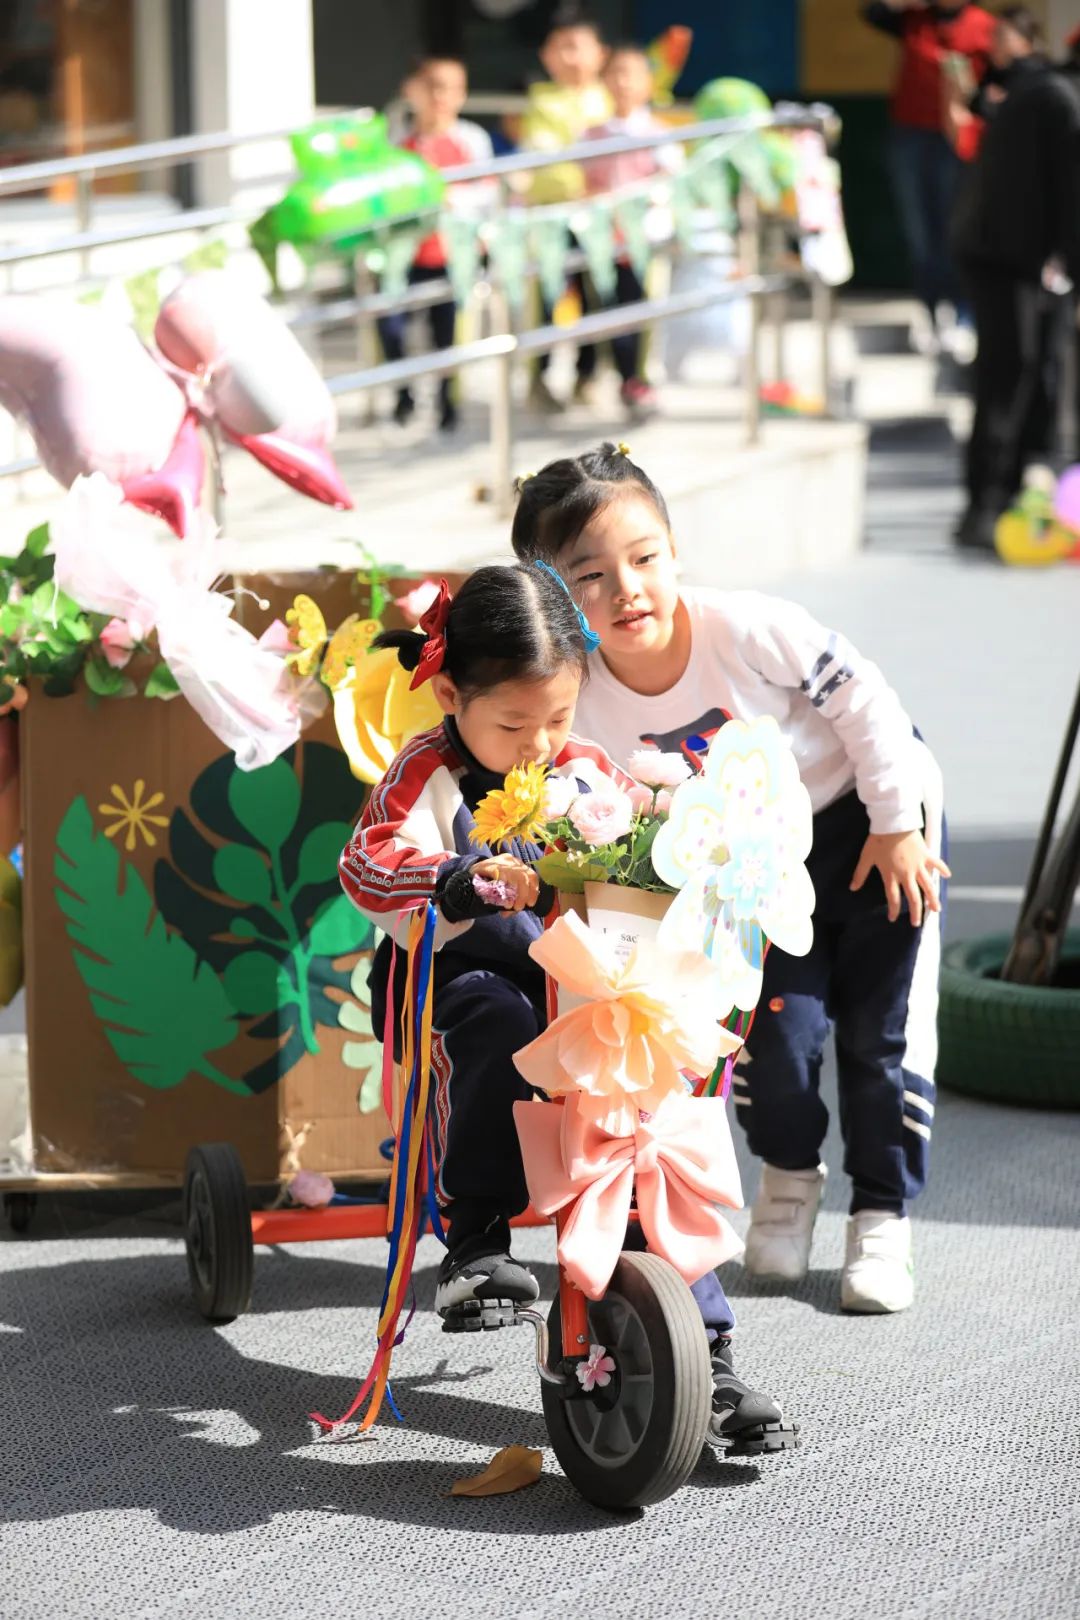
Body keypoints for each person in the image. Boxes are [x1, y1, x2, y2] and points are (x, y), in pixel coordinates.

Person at [339, 562, 785, 1442]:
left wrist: (680, 852)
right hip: (458, 984)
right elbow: (365, 861)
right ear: (454, 696)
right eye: (513, 722)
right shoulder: (424, 771)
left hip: (579, 992)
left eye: (559, 717)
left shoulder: (585, 771)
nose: (540, 744)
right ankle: (474, 1244)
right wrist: (455, 877)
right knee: (498, 1024)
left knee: (647, 1115)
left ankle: (708, 1354)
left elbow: (638, 853)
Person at [511, 443, 950, 1315]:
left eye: (644, 559)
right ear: (552, 595)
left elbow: (865, 699)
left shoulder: (742, 627)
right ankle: (788, 1177)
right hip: (739, 874)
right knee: (770, 1039)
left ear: (674, 552)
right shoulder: (579, 689)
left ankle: (881, 1213)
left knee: (878, 1034)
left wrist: (899, 822)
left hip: (862, 825)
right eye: (590, 576)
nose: (626, 588)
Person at [951, 45, 1080, 549]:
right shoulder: (1062, 101)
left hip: (1018, 255)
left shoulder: (1046, 88)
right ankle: (986, 503)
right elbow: (1074, 200)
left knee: (1035, 368)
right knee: (1012, 370)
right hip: (1006, 257)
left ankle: (1014, 495)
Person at [863, 0, 994, 357]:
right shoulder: (914, 18)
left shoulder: (982, 24)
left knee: (957, 226)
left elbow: (995, 80)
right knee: (921, 231)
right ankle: (930, 310)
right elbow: (873, 12)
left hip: (956, 137)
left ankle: (962, 314)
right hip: (910, 134)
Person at [377, 56, 493, 433]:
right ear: (413, 90)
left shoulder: (471, 139)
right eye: (432, 86)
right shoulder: (395, 142)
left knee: (447, 335)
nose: (440, 97)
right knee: (392, 327)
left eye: (450, 88)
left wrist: (450, 201)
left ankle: (447, 402)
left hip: (450, 254)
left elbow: (487, 193)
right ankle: (403, 395)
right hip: (403, 254)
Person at [582, 43, 683, 419]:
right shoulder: (590, 135)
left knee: (645, 313)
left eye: (632, 74)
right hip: (605, 243)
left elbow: (673, 185)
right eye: (616, 73)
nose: (623, 83)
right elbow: (582, 185)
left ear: (648, 83)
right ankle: (625, 380)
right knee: (610, 315)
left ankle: (642, 381)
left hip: (646, 243)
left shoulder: (660, 134)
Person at [519, 6, 612, 413]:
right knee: (547, 298)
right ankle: (538, 378)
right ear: (546, 56)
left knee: (597, 297)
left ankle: (586, 375)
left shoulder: (609, 98)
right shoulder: (541, 102)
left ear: (600, 54)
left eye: (578, 47)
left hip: (600, 216)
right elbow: (546, 156)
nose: (571, 57)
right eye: (562, 48)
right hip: (552, 216)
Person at [942, 6, 1045, 161]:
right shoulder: (993, 75)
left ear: (1025, 41)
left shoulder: (1036, 81)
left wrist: (955, 102)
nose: (992, 43)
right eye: (991, 35)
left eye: (1000, 35)